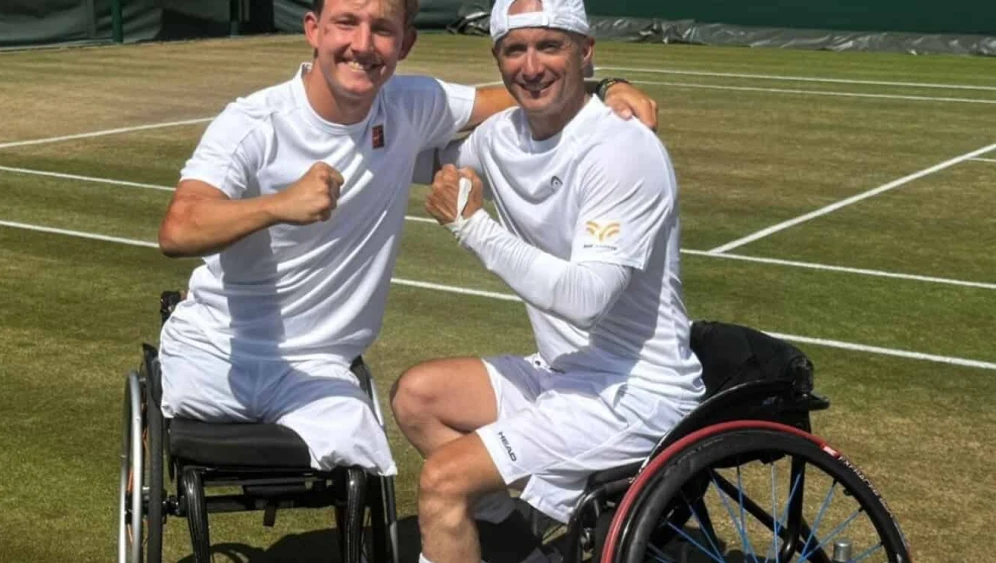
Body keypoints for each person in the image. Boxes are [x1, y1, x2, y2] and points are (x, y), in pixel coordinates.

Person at [156, 0, 657, 479]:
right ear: (313, 29)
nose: (362, 44)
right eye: (346, 23)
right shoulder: (251, 123)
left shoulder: (412, 104)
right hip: (216, 357)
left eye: (382, 29)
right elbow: (179, 228)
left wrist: (608, 87)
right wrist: (278, 205)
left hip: (320, 373)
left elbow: (521, 89)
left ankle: (520, 519)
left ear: (406, 43)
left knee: (363, 455)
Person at [388, 1, 706, 561]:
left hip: (636, 395)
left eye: (549, 46)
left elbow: (587, 300)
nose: (531, 67)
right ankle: (520, 545)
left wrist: (471, 226)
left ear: (585, 52)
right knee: (418, 397)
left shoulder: (623, 149)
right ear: (498, 59)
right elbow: (395, 149)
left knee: (445, 480)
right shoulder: (498, 137)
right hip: (565, 375)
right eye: (515, 50)